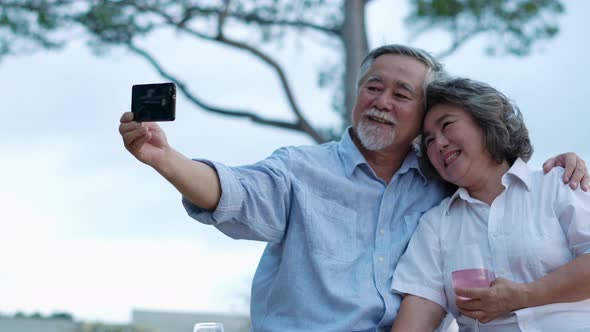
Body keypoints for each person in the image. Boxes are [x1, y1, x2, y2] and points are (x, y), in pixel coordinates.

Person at [119, 45, 588, 332]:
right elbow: (234, 191)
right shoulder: (302, 170)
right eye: (372, 87)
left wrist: (565, 163)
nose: (382, 101)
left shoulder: (448, 190)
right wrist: (167, 160)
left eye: (402, 95)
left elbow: (496, 175)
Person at [391, 77, 590, 331]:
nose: (438, 143)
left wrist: (523, 295)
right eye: (428, 140)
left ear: (486, 122)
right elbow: (420, 304)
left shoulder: (558, 184)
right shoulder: (435, 224)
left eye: (448, 125)